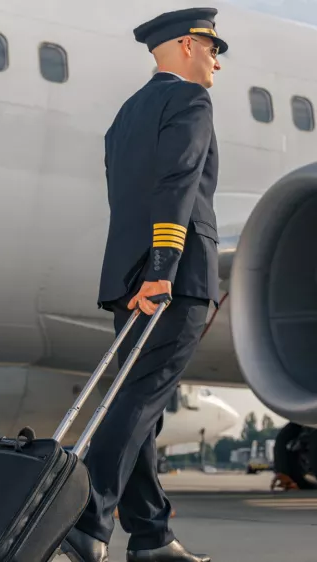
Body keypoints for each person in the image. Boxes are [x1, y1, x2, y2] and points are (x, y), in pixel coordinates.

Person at [59, 7, 226, 562]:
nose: (216, 62)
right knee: (141, 398)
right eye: (211, 48)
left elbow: (124, 196)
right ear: (184, 45)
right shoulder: (190, 101)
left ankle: (151, 537)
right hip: (172, 276)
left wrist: (140, 270)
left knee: (140, 404)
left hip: (127, 275)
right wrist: (162, 270)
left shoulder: (126, 114)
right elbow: (177, 182)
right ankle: (88, 519)